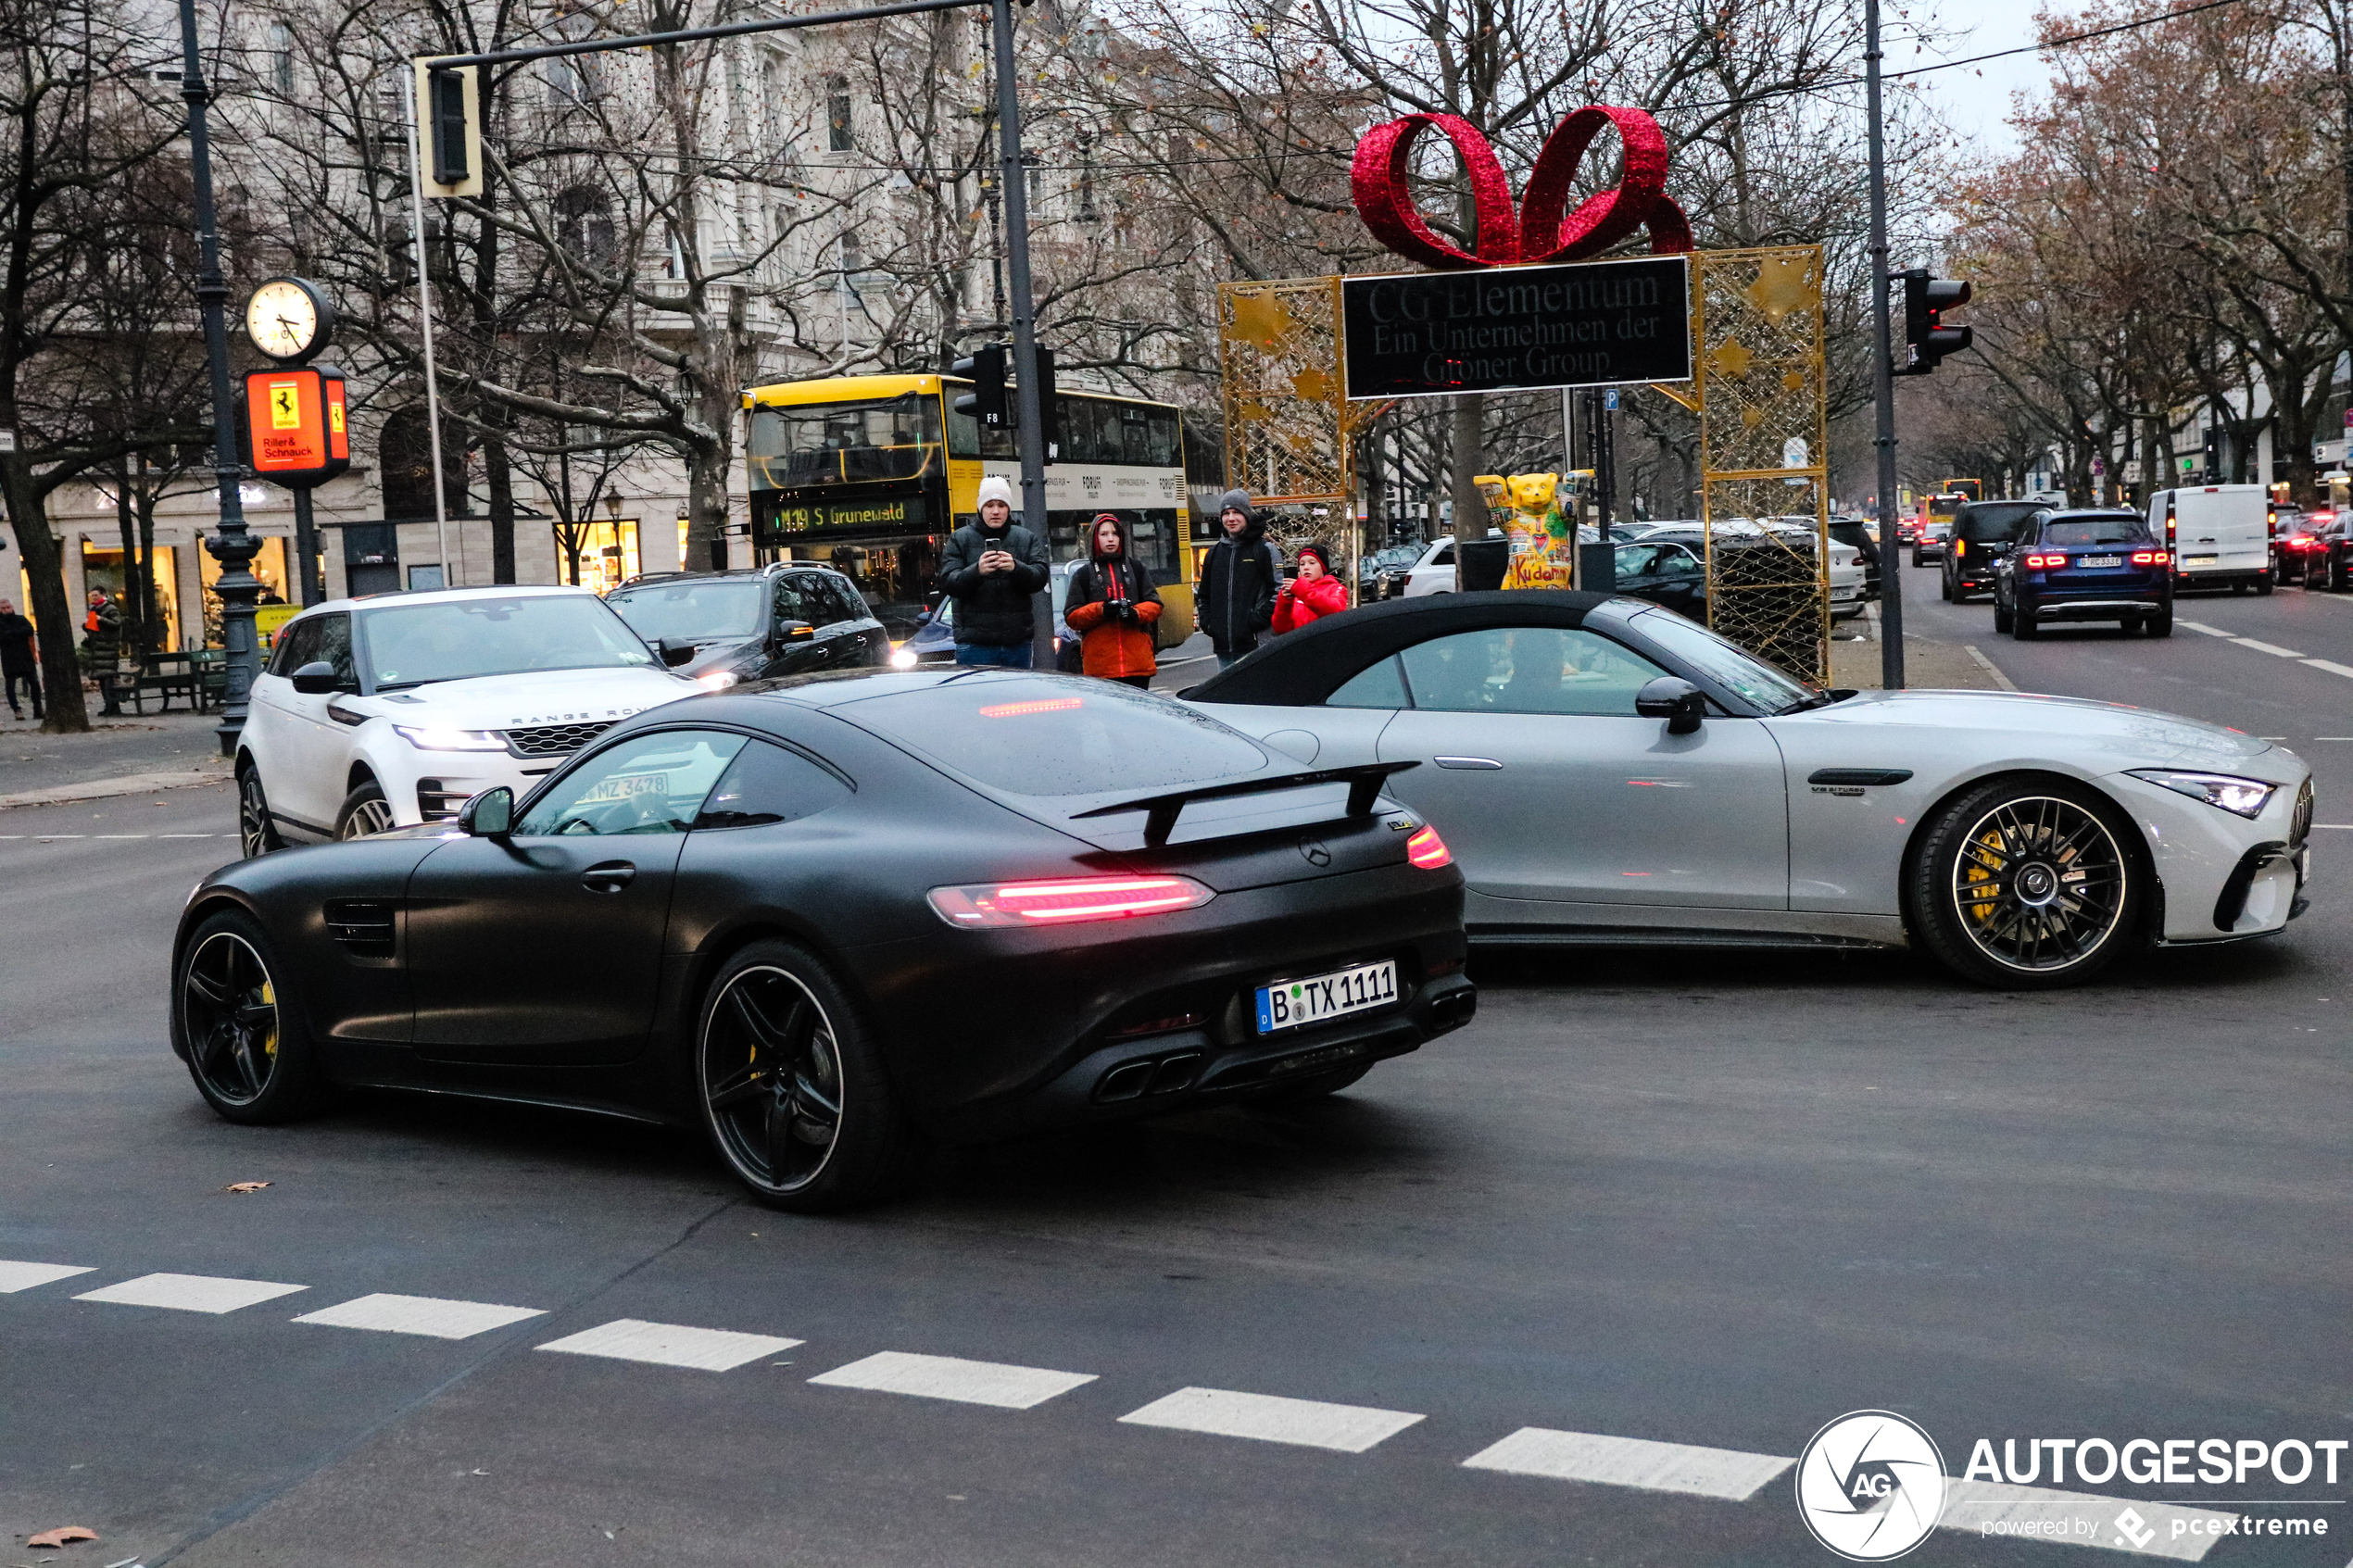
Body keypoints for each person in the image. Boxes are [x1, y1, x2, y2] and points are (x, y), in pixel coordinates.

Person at [939, 474, 1050, 667]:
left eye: (1002, 505)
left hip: (1017, 643)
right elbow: (949, 583)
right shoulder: (960, 539)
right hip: (975, 644)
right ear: (980, 508)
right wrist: (977, 571)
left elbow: (1040, 577)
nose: (996, 511)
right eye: (990, 505)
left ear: (1009, 508)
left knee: (1018, 697)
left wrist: (1016, 568)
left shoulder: (1026, 538)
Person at [1062, 512, 1163, 687]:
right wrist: (1101, 610)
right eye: (1104, 534)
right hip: (1100, 669)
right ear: (1094, 538)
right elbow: (1072, 617)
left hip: (1137, 665)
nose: (1111, 539)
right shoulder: (1084, 574)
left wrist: (1135, 613)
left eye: (1115, 534)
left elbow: (1155, 605)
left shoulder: (1137, 568)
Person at [1197, 489, 1277, 669]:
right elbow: (1204, 595)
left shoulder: (1265, 550)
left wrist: (1254, 622)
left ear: (1247, 515)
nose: (1231, 518)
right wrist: (1210, 624)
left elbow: (1277, 593)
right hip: (1223, 648)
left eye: (1236, 512)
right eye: (1226, 513)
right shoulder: (1213, 553)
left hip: (1255, 645)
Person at [1272, 543, 1347, 633]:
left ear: (1323, 567)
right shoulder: (1296, 592)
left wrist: (1303, 590)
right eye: (1302, 564)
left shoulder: (1336, 588)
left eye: (1312, 563)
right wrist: (1284, 602)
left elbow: (1335, 612)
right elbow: (1280, 629)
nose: (1306, 568)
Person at [81, 589, 123, 716]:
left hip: (107, 649)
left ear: (103, 595)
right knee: (102, 680)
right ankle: (109, 705)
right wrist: (86, 625)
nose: (93, 597)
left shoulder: (110, 608)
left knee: (108, 679)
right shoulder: (93, 609)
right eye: (92, 595)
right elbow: (92, 629)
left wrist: (101, 619)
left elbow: (117, 623)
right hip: (98, 649)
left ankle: (113, 707)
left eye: (96, 595)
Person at [0, 597, 40, 720]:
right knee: (10, 686)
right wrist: (17, 634)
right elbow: (3, 638)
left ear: (12, 607)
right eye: (3, 608)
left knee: (34, 683)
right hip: (9, 659)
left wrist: (11, 633)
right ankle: (16, 709)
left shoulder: (21, 619)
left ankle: (38, 708)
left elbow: (29, 630)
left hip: (25, 657)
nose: (7, 610)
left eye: (8, 607)